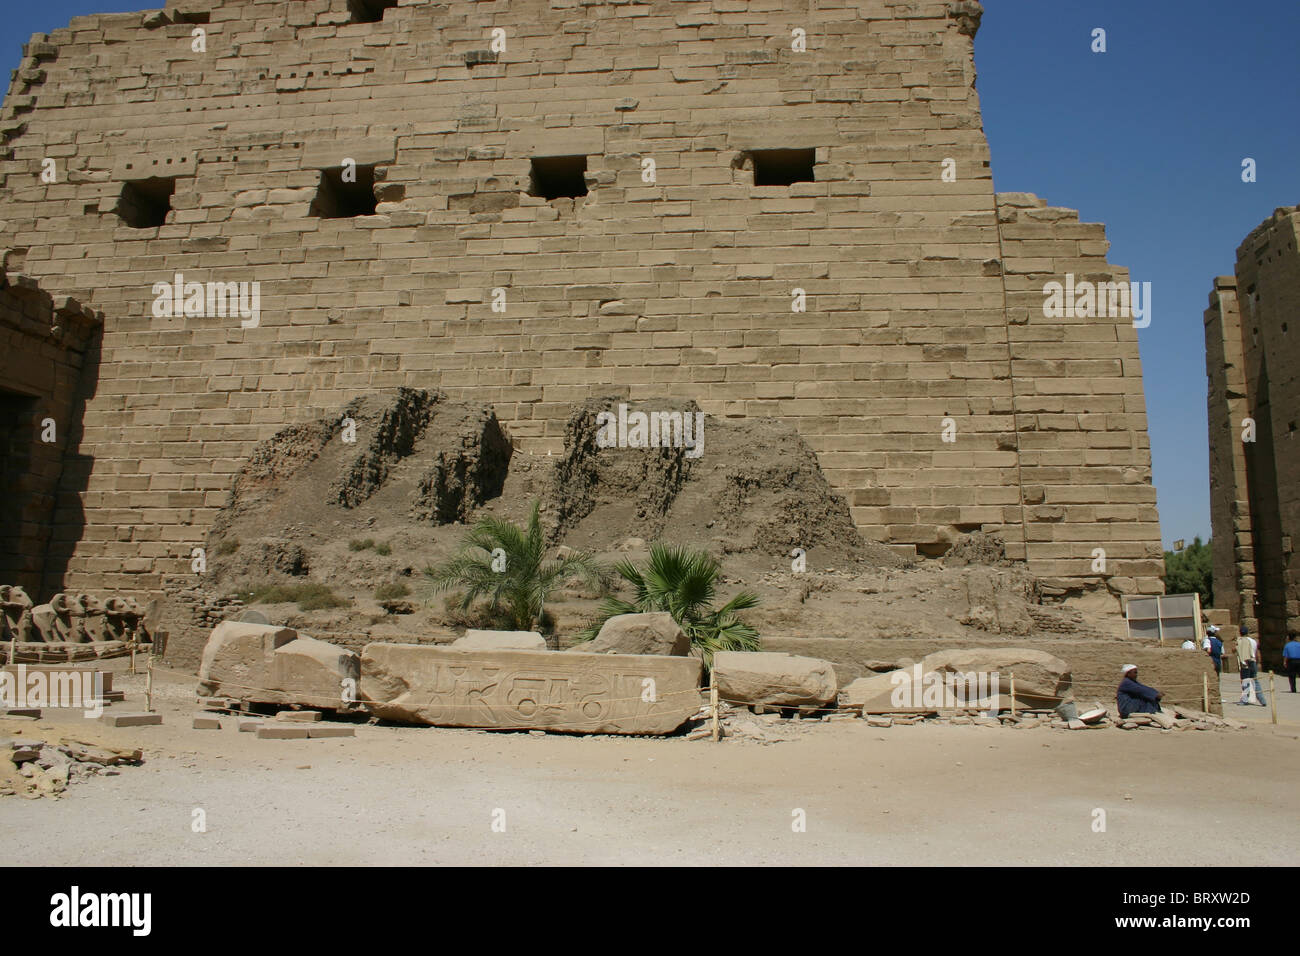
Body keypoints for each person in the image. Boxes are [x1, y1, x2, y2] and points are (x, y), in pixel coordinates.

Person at [1237, 624, 1268, 706]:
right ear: (1247, 632)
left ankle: (1245, 700)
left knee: (1245, 681)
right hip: (1253, 661)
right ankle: (1262, 700)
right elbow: (1256, 653)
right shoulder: (1253, 641)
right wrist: (1257, 662)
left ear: (1240, 633)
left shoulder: (1240, 641)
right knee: (1255, 681)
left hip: (1245, 663)